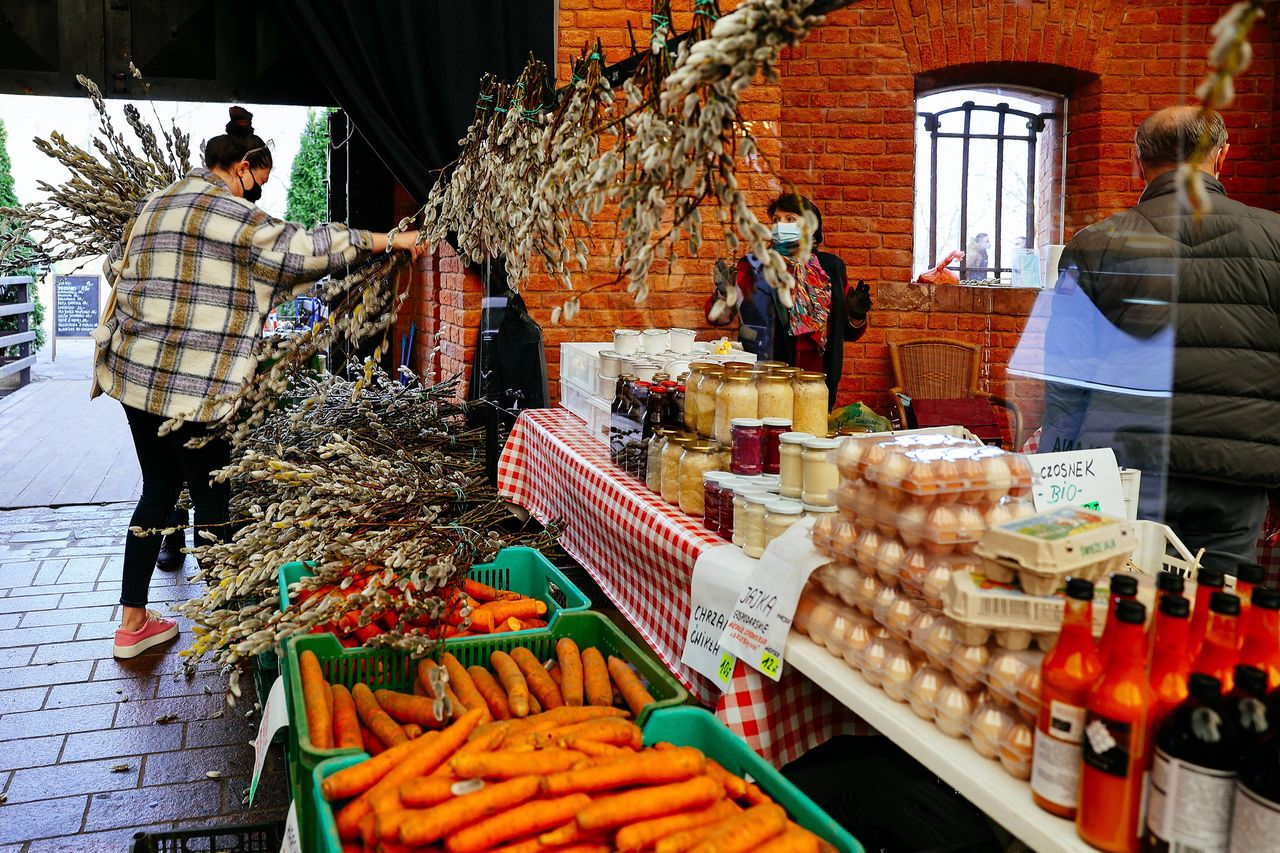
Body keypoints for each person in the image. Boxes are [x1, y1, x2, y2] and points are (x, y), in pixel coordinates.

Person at [97, 107, 422, 658]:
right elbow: (305, 249)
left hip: (134, 376)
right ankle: (227, 625)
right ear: (243, 167)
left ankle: (132, 623)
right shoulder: (234, 217)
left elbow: (115, 266)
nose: (256, 197)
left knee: (156, 491)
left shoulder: (155, 203)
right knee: (212, 498)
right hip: (196, 387)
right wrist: (385, 241)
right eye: (258, 184)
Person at [1038, 105, 1280, 572]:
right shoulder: (1274, 240)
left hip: (1127, 466)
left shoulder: (1095, 243)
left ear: (1138, 162)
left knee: (1119, 593)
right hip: (1235, 472)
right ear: (1222, 158)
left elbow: (1064, 375)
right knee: (1215, 613)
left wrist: (1060, 475)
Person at [706, 192, 871, 406]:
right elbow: (720, 318)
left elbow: (847, 331)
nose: (780, 225)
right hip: (767, 375)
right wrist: (723, 293)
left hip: (816, 379)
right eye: (776, 220)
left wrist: (856, 313)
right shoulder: (754, 265)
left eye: (790, 219)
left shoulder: (831, 268)